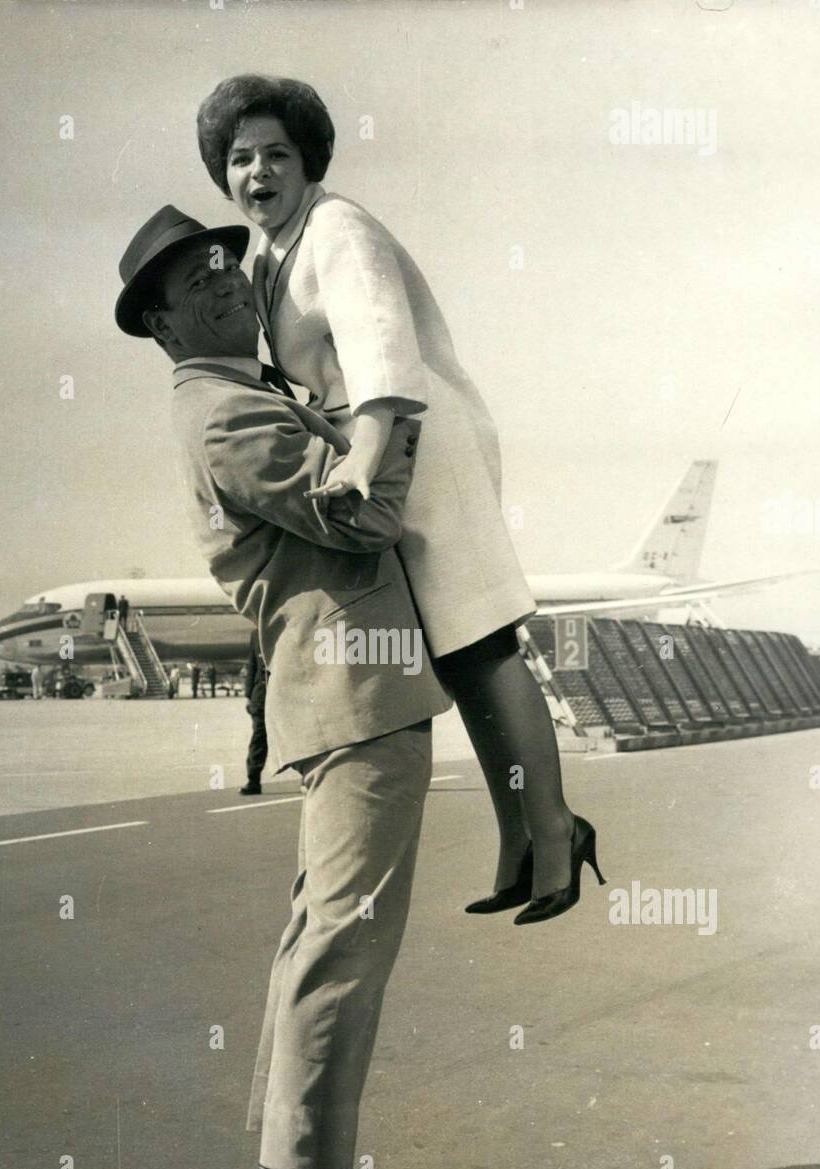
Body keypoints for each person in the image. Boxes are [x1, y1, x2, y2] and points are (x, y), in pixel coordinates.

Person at [116, 205, 454, 1169]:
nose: (223, 281)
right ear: (161, 325)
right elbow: (359, 517)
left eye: (224, 265)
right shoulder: (225, 413)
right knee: (342, 939)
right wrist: (390, 414)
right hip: (349, 687)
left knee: (325, 928)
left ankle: (295, 1163)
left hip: (348, 684)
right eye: (193, 284)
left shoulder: (249, 392)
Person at [196, 75, 602, 924]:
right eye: (240, 158)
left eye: (278, 154)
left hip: (418, 442)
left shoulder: (338, 227)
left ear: (310, 163)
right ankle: (521, 837)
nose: (259, 172)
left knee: (482, 643)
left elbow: (382, 347)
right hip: (371, 455)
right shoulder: (270, 254)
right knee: (458, 656)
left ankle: (554, 827)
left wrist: (366, 455)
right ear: (221, 172)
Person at [240, 629, 267, 794]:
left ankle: (306, 778)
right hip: (261, 696)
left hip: (284, 694)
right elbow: (252, 665)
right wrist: (249, 694)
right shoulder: (256, 633)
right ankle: (253, 780)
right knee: (258, 739)